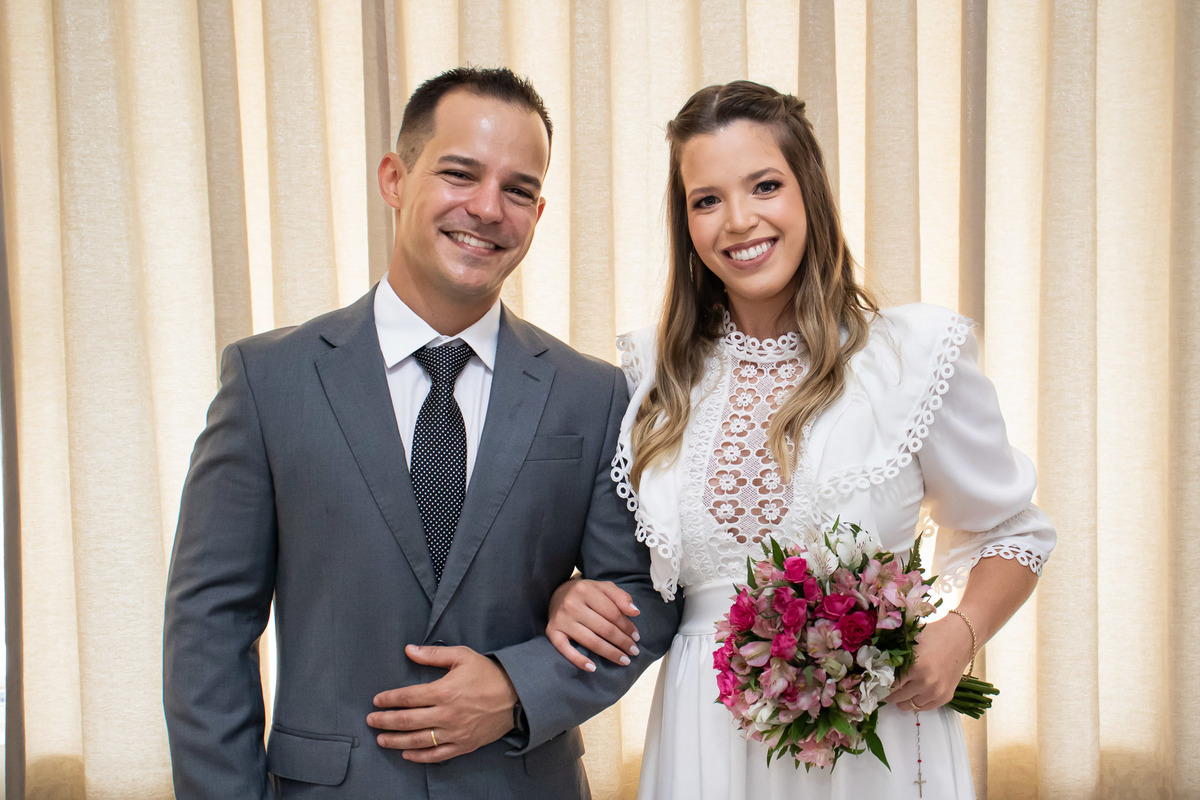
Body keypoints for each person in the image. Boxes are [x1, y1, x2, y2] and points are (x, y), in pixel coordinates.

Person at [163, 66, 679, 799]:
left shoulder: (594, 395)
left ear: (538, 212)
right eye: (460, 174)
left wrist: (518, 685)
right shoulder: (268, 381)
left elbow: (644, 594)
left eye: (518, 190)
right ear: (395, 179)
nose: (487, 208)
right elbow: (207, 629)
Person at [546, 80, 1056, 799]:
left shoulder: (908, 358)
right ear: (685, 222)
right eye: (707, 199)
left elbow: (1013, 531)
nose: (738, 221)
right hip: (703, 740)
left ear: (809, 192)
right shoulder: (653, 377)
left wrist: (959, 634)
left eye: (765, 185)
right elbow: (622, 571)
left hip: (870, 748)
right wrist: (568, 596)